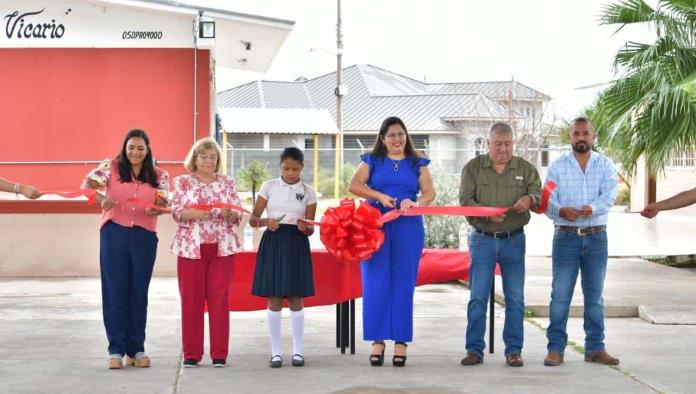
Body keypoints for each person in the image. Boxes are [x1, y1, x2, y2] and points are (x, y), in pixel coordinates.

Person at [348, 116, 435, 367]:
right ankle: (377, 340)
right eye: (392, 135)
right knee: (375, 282)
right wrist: (379, 196)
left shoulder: (417, 162)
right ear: (383, 139)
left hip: (408, 226)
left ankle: (400, 342)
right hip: (374, 225)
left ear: (406, 136)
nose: (397, 139)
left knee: (403, 283)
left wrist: (416, 204)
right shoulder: (371, 160)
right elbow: (354, 185)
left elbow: (429, 192)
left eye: (401, 134)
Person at [82, 129, 169, 369]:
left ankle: (136, 349)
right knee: (115, 291)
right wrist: (101, 200)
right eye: (131, 147)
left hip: (145, 236)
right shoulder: (111, 167)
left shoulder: (160, 175)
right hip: (114, 233)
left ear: (148, 150)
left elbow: (165, 200)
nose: (135, 152)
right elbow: (89, 183)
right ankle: (115, 350)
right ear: (125, 147)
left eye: (141, 148)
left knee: (138, 292)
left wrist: (157, 208)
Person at [458, 122, 541, 367]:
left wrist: (529, 198)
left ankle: (514, 351)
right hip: (482, 240)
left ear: (513, 144)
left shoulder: (526, 169)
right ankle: (474, 350)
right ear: (488, 143)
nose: (503, 149)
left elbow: (538, 197)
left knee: (515, 298)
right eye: (498, 144)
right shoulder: (473, 168)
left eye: (507, 144)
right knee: (477, 297)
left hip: (514, 240)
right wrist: (486, 215)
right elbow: (464, 202)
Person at [543, 117, 619, 366]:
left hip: (597, 237)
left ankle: (595, 348)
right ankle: (555, 348)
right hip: (565, 238)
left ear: (593, 136)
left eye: (586, 133)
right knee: (560, 296)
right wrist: (560, 211)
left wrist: (592, 208)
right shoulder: (557, 167)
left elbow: (609, 196)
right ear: (570, 136)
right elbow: (547, 200)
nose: (581, 137)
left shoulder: (606, 165)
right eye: (576, 134)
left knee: (594, 297)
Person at [170, 137, 242, 368]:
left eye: (213, 157)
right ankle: (192, 354)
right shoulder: (182, 182)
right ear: (195, 158)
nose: (209, 161)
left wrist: (231, 215)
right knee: (191, 301)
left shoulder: (228, 182)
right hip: (191, 248)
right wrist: (197, 215)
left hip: (222, 248)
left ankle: (219, 354)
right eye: (204, 156)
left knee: (219, 301)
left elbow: (237, 211)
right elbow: (176, 210)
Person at [250, 147, 317, 369]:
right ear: (280, 167)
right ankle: (276, 353)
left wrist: (304, 227)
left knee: (297, 298)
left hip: (297, 242)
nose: (290, 173)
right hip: (274, 240)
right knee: (275, 298)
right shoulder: (268, 186)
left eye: (295, 169)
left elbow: (310, 228)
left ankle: (298, 351)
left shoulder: (309, 191)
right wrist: (266, 222)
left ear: (302, 168)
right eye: (286, 168)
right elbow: (253, 220)